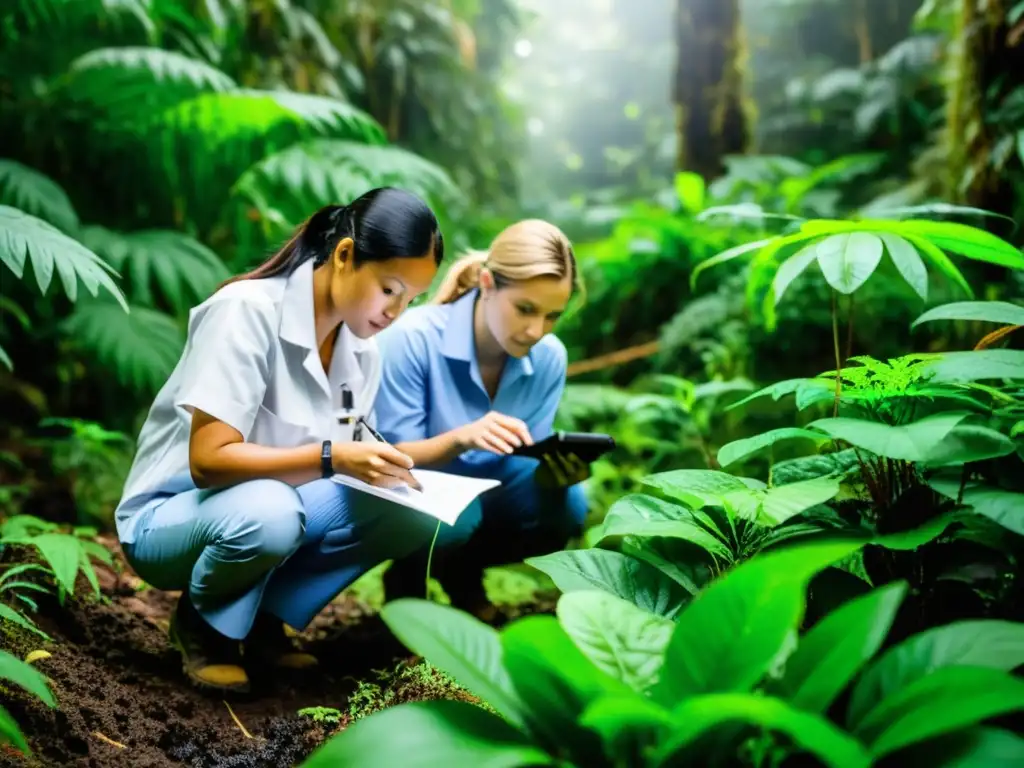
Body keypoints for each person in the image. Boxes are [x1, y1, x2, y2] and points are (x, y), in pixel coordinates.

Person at [113, 187, 444, 693]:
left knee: (408, 508)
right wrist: (334, 456)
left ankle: (264, 620)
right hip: (174, 516)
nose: (395, 311)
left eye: (411, 299)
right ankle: (205, 626)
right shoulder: (245, 311)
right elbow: (208, 461)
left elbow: (338, 463)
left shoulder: (363, 351)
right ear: (344, 256)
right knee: (272, 510)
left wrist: (373, 464)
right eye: (389, 289)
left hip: (274, 507)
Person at [373, 219, 589, 620]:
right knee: (455, 520)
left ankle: (459, 570)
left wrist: (557, 473)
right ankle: (410, 580)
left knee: (567, 506)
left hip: (489, 489)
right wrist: (462, 438)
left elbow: (526, 457)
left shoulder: (549, 357)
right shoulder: (411, 339)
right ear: (487, 284)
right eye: (525, 309)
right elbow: (388, 456)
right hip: (407, 487)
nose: (535, 330)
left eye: (552, 316)